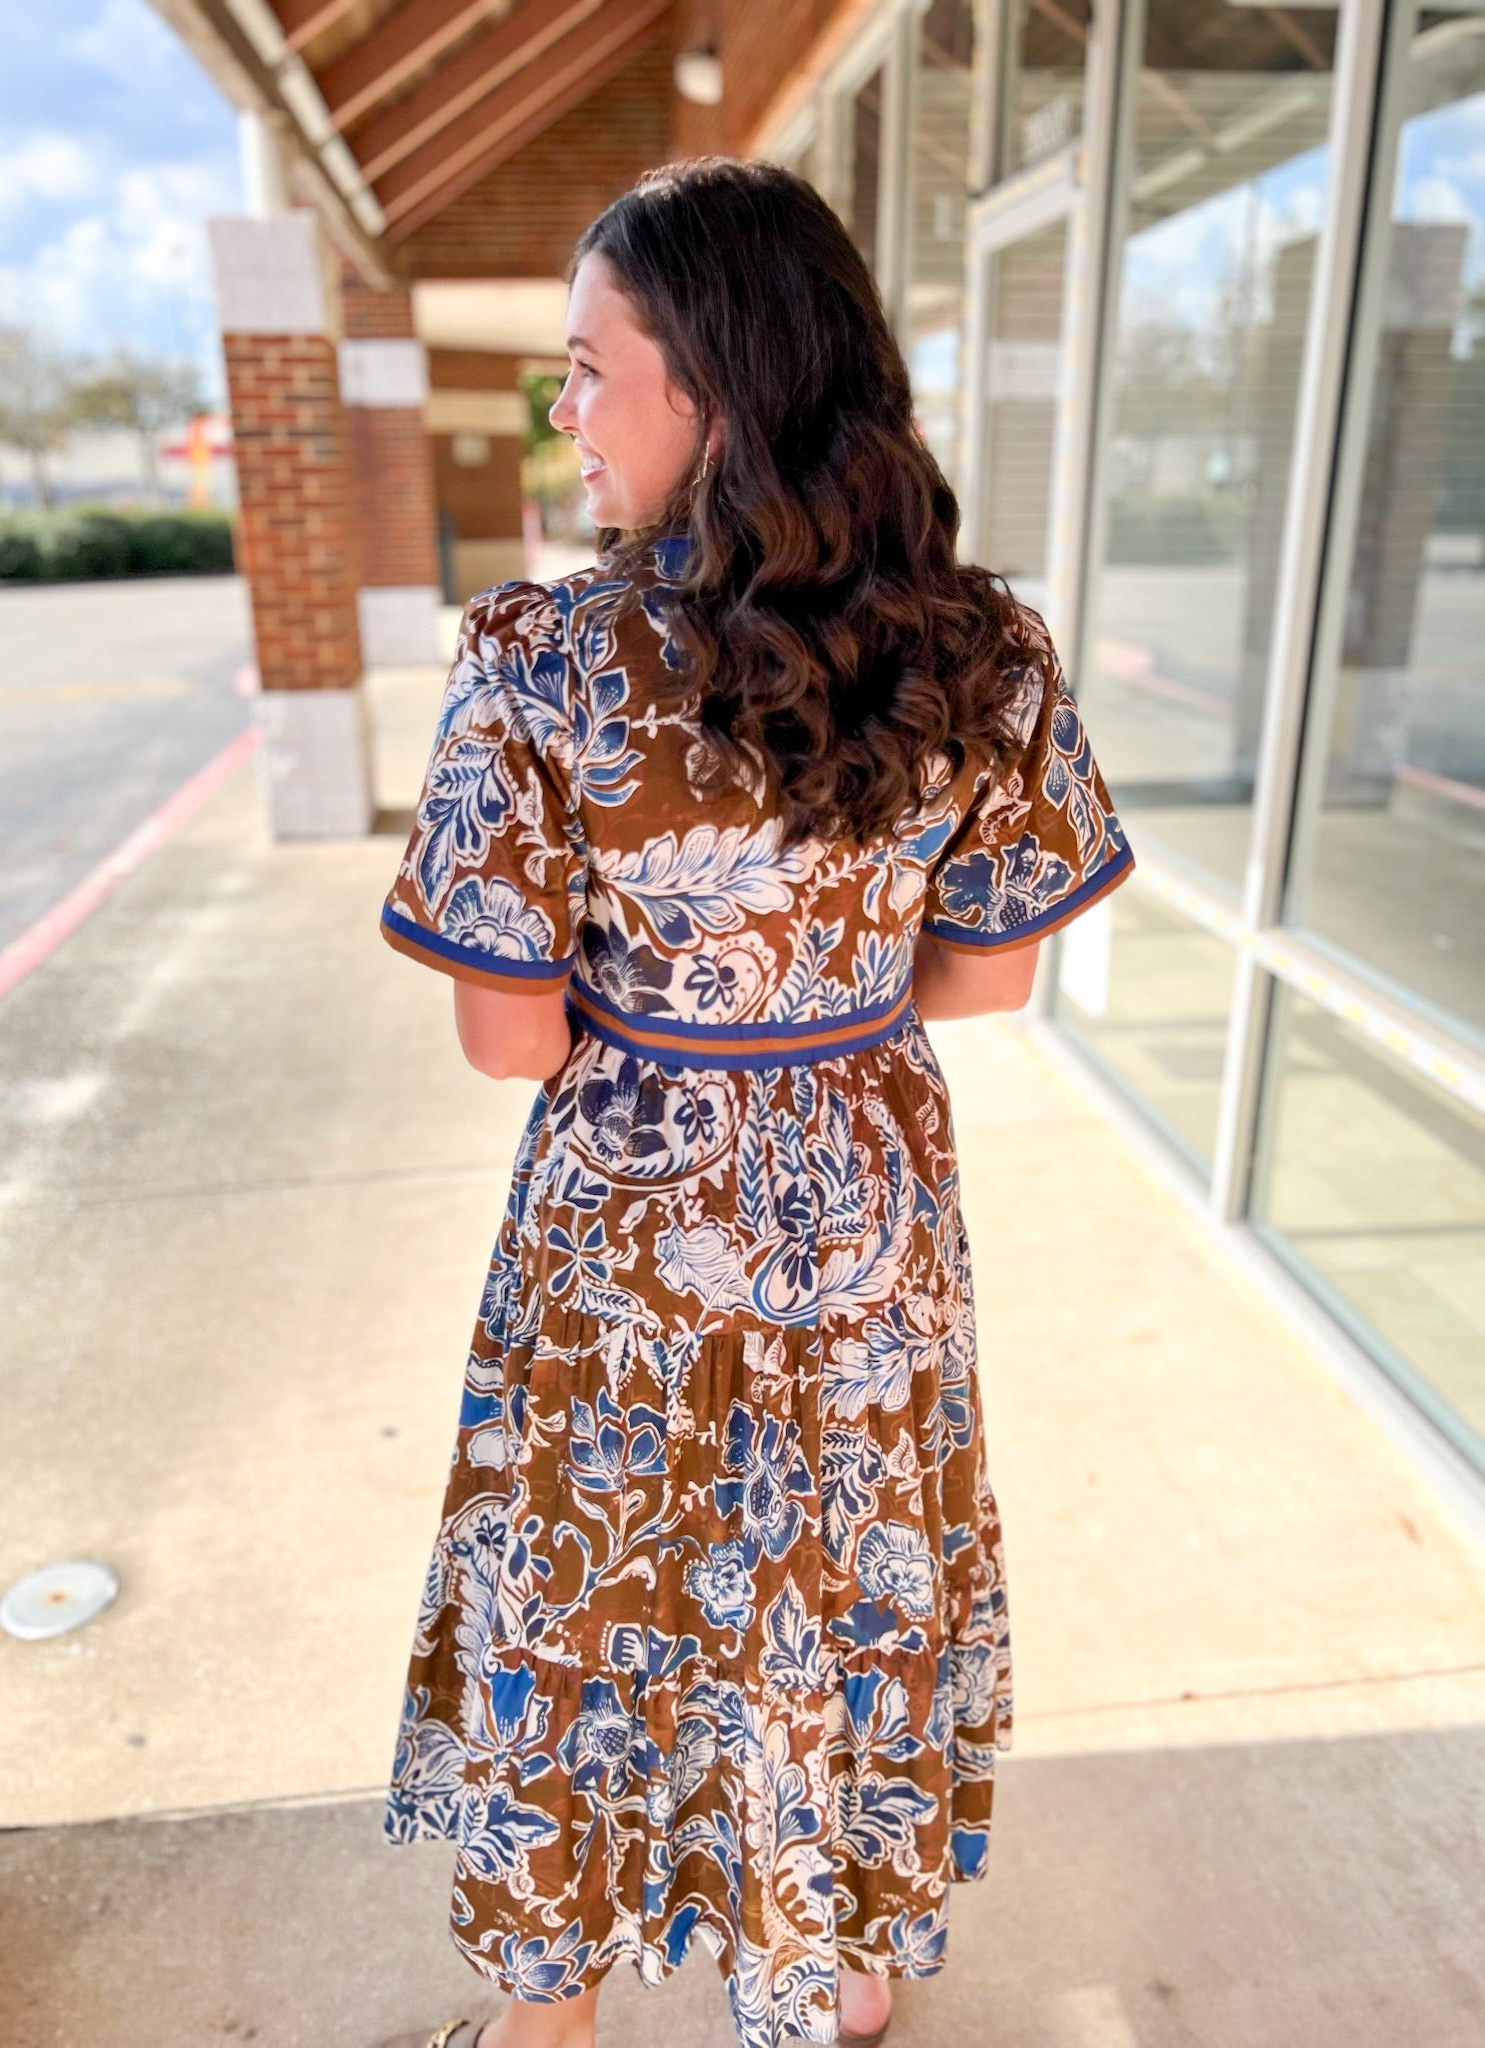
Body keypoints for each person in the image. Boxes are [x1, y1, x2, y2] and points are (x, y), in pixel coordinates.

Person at [378, 157, 1136, 2048]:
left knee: (594, 1586)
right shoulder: (987, 654)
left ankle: (551, 2010)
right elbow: (993, 970)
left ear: (707, 384)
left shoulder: (539, 668)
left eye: (585, 368)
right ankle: (826, 1976)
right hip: (869, 1221)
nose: (565, 408)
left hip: (629, 1228)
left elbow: (510, 1044)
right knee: (835, 1570)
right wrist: (819, 1014)